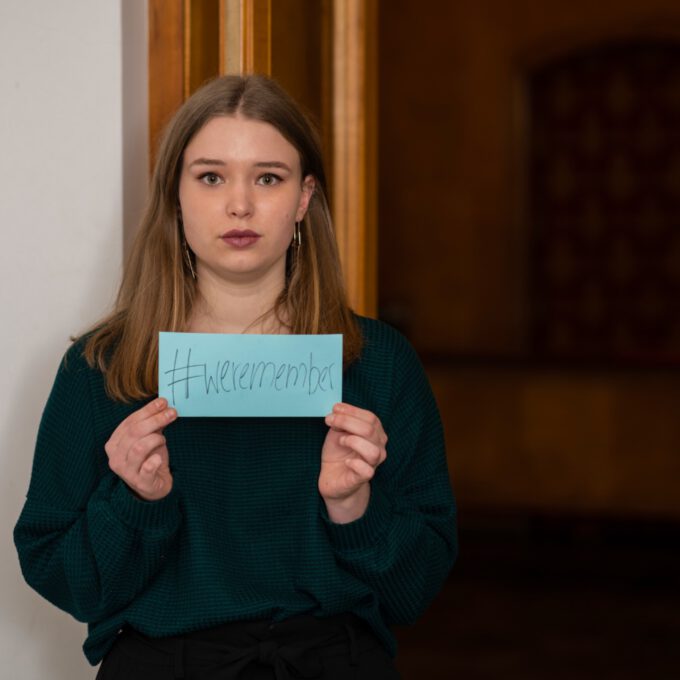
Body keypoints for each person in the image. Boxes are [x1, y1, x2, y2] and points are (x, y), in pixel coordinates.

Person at [14, 74, 457, 679]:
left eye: (268, 178)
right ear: (175, 194)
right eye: (211, 176)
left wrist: (356, 507)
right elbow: (64, 579)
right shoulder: (101, 368)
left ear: (304, 199)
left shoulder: (379, 362)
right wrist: (133, 504)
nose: (239, 204)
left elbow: (417, 592)